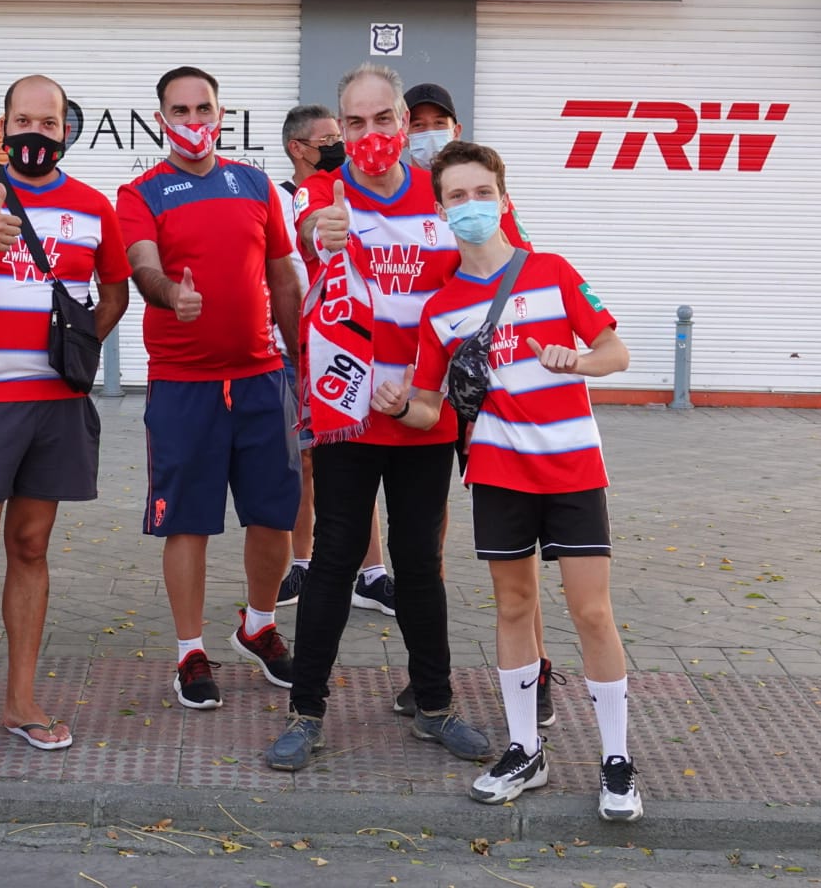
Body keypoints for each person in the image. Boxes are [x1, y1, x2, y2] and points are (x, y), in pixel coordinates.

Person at [372, 140, 641, 822]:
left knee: (591, 612)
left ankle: (617, 760)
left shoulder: (550, 271)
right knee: (515, 609)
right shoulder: (440, 309)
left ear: (504, 199)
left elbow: (617, 351)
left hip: (573, 465)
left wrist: (579, 359)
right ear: (440, 212)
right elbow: (432, 407)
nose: (470, 207)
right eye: (456, 197)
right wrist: (402, 404)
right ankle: (525, 750)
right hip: (496, 474)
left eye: (481, 193)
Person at [268, 63, 523, 773]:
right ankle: (307, 710)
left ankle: (434, 703)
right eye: (356, 123)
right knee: (335, 559)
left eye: (384, 119)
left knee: (418, 560)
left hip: (424, 410)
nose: (372, 134)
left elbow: (504, 265)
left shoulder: (443, 194)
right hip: (349, 413)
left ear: (405, 124)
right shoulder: (325, 193)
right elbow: (308, 233)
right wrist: (320, 229)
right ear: (339, 132)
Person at [0, 74, 131, 774]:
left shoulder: (94, 206)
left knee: (32, 547)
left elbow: (118, 285)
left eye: (49, 120)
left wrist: (81, 348)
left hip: (56, 406)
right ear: (2, 127)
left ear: (67, 129)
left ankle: (20, 703)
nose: (36, 132)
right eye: (23, 120)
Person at [117, 66, 303, 712]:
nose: (193, 120)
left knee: (275, 516)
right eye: (180, 109)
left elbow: (283, 280)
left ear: (222, 114)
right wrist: (171, 293)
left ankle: (259, 624)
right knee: (188, 524)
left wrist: (300, 363)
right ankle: (190, 650)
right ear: (160, 118)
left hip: (260, 378)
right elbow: (142, 264)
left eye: (203, 108)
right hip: (184, 386)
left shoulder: (254, 184)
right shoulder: (141, 191)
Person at [403, 80, 563, 730]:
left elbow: (516, 273)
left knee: (515, 548)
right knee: (428, 543)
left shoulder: (478, 200)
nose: (428, 131)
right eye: (417, 122)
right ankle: (429, 678)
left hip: (480, 397)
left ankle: (541, 668)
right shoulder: (391, 199)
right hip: (417, 390)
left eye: (439, 121)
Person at [274, 105, 394, 617]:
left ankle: (372, 572)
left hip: (349, 343)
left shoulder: (352, 189)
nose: (339, 143)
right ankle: (302, 561)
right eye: (327, 137)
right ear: (298, 148)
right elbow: (299, 243)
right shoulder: (278, 199)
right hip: (296, 346)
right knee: (304, 462)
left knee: (357, 454)